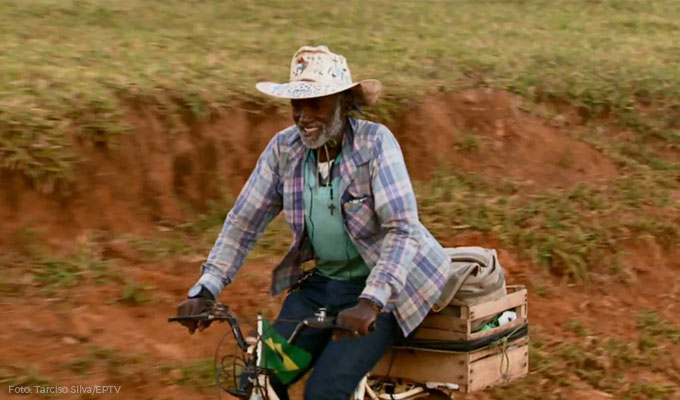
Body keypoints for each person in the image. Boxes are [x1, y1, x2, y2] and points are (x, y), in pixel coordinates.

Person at [176, 45, 450, 400]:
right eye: (297, 105)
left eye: (316, 104)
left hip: (389, 286)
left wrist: (372, 301)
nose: (304, 117)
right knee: (261, 382)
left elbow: (402, 229)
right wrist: (206, 288)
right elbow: (244, 222)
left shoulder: (375, 144)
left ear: (344, 102)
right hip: (324, 287)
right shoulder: (284, 150)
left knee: (325, 391)